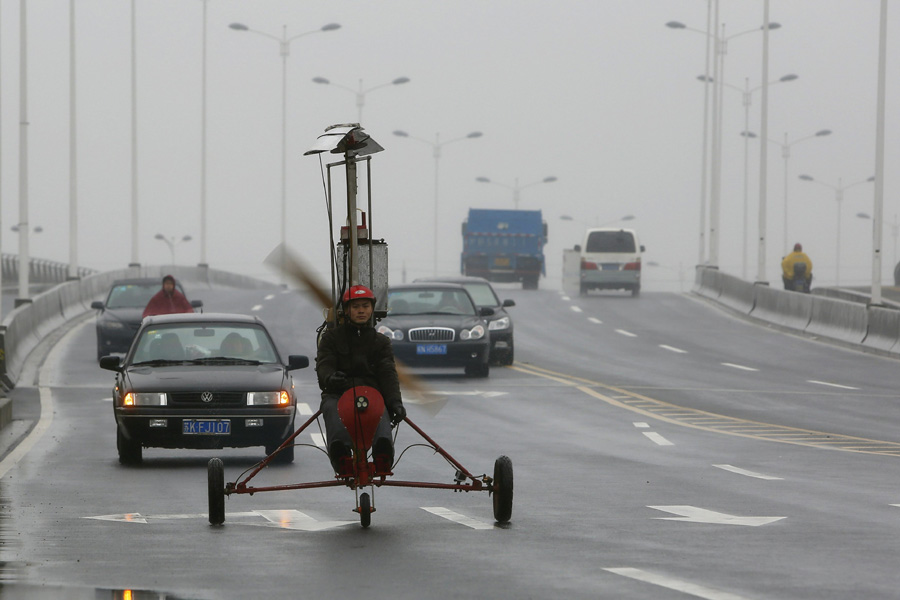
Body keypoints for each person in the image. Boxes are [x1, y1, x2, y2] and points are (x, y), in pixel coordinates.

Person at [315, 285, 406, 477]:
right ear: (347, 311)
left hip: (372, 395)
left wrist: (395, 402)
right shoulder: (330, 338)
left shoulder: (381, 342)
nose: (361, 310)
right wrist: (330, 378)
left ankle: (383, 456)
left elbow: (388, 374)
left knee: (381, 408)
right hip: (338, 393)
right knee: (330, 407)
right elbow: (324, 365)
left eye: (365, 306)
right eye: (356, 307)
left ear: (372, 309)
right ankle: (341, 458)